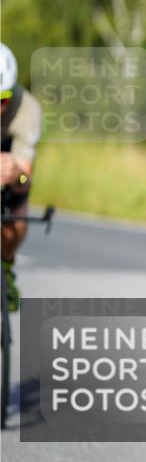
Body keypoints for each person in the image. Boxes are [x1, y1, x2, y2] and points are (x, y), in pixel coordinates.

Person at [1, 43, 42, 312]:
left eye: (2, 98)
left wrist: (17, 174)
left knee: (16, 221)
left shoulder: (27, 107)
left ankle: (5, 268)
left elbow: (27, 176)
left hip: (9, 165)